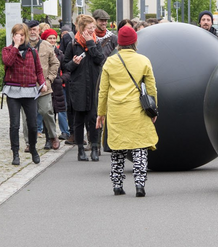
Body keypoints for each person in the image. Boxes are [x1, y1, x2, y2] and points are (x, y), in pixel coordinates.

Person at [96, 25, 158, 197]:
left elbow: (103, 90)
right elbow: (152, 89)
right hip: (137, 110)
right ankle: (139, 185)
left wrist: (101, 114)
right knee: (139, 148)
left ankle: (117, 185)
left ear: (119, 44)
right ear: (134, 42)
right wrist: (154, 110)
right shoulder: (143, 61)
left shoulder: (110, 61)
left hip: (116, 111)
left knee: (118, 149)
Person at [63, 14, 106, 161]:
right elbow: (65, 66)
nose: (92, 31)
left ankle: (95, 147)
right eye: (89, 28)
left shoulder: (95, 43)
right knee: (79, 119)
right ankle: (80, 150)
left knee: (94, 118)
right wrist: (74, 63)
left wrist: (90, 44)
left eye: (93, 28)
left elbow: (100, 60)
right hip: (78, 87)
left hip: (94, 86)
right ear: (81, 29)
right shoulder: (73, 44)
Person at [2, 24, 46, 165]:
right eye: (17, 34)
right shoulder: (7, 50)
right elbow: (7, 62)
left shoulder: (32, 52)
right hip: (13, 91)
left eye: (22, 34)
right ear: (13, 35)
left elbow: (38, 70)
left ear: (26, 35)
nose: (19, 37)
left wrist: (42, 83)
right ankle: (15, 153)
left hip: (29, 91)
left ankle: (33, 148)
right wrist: (15, 46)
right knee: (14, 125)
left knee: (32, 125)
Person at [23, 21, 60, 151]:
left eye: (34, 29)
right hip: (26, 88)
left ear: (39, 30)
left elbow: (55, 63)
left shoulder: (46, 45)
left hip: (44, 87)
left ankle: (52, 136)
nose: (32, 32)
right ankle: (29, 142)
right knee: (27, 117)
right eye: (30, 30)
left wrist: (49, 79)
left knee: (46, 111)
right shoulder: (21, 46)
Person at [43, 29, 70, 140]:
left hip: (58, 86)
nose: (53, 40)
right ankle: (50, 134)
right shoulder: (40, 53)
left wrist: (62, 80)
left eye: (54, 38)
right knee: (48, 111)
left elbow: (67, 70)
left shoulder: (60, 54)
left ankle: (65, 132)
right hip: (45, 85)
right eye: (50, 38)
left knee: (62, 110)